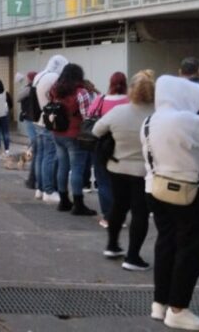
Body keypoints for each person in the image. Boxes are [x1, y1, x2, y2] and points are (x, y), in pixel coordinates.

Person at [143, 75, 199, 330]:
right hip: (191, 192)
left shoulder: (149, 120)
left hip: (155, 188)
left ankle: (160, 303)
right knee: (191, 250)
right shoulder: (190, 120)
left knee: (165, 244)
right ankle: (178, 309)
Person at [93, 71, 155, 271]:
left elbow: (96, 131)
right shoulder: (157, 115)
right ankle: (133, 256)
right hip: (144, 171)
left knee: (118, 206)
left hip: (117, 165)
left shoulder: (119, 112)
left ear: (131, 90)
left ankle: (112, 245)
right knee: (140, 213)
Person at [50, 63, 96, 215]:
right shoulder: (81, 92)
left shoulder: (55, 89)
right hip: (74, 135)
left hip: (57, 133)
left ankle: (64, 200)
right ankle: (78, 204)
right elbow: (87, 115)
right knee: (77, 169)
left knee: (63, 166)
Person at [89, 72, 130, 228]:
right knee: (121, 183)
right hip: (123, 145)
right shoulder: (130, 101)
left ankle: (108, 216)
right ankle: (120, 216)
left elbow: (89, 116)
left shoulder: (101, 99)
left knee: (103, 181)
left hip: (102, 145)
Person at [33, 56, 68, 204]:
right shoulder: (55, 78)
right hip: (49, 121)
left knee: (40, 156)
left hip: (37, 120)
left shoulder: (39, 75)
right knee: (50, 156)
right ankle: (48, 190)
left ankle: (40, 189)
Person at [17, 72, 38, 193]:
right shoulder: (40, 87)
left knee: (33, 139)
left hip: (29, 117)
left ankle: (26, 156)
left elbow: (19, 98)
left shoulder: (28, 89)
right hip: (37, 118)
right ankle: (28, 155)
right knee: (34, 140)